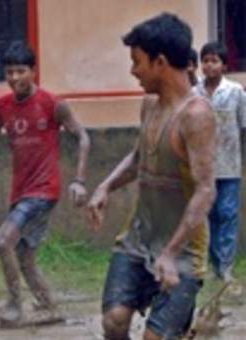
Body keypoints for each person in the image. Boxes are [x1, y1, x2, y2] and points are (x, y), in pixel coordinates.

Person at [0, 42, 90, 327]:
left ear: (33, 72)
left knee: (2, 240)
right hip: (20, 191)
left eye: (20, 71)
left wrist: (80, 181)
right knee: (24, 257)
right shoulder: (1, 107)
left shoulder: (52, 104)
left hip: (44, 190)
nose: (14, 78)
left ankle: (14, 305)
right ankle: (50, 307)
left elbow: (83, 137)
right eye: (9, 72)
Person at [87, 13, 216, 340]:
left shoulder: (196, 115)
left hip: (183, 251)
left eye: (137, 62)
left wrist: (171, 254)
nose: (133, 71)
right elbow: (137, 157)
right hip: (138, 239)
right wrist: (105, 186)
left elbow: (205, 191)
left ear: (160, 62)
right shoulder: (149, 105)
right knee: (114, 322)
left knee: (154, 338)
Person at [194, 41, 246, 291]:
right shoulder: (194, 93)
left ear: (224, 65)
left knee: (227, 214)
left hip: (230, 164)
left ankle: (225, 267)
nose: (209, 65)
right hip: (202, 167)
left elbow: (243, 127)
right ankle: (210, 264)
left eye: (214, 60)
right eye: (205, 60)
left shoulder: (235, 92)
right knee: (207, 215)